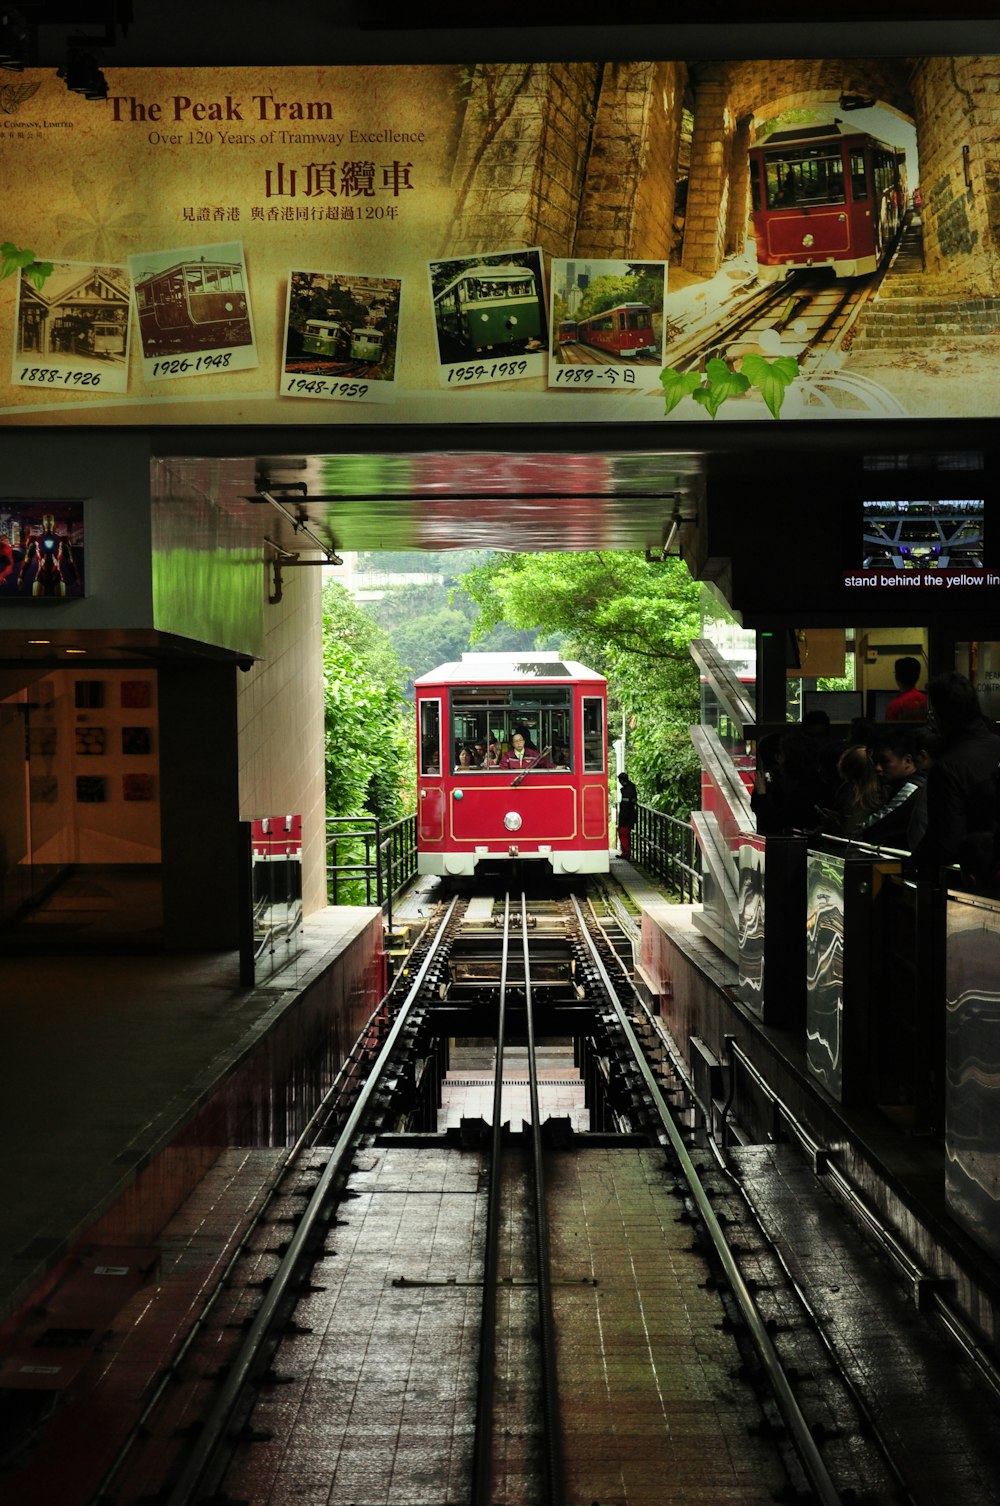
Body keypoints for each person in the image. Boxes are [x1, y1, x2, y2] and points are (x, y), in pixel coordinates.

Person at [911, 672, 1000, 881]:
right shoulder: (996, 744)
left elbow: (947, 841)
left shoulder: (948, 767)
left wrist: (914, 864)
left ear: (940, 716)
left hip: (976, 878)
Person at [860, 730, 927, 850]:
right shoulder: (916, 783)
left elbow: (870, 828)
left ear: (907, 760)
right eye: (875, 762)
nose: (877, 768)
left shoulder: (910, 789)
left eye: (885, 762)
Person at [886, 656, 928, 722]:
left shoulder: (894, 706)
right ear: (917, 676)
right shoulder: (927, 701)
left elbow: (888, 730)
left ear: (897, 677)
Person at [616, 772, 637, 859]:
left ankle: (626, 853)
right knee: (627, 835)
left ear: (621, 781)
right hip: (631, 815)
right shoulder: (632, 788)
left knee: (623, 834)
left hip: (625, 817)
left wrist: (622, 817)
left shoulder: (626, 791)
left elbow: (625, 805)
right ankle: (626, 852)